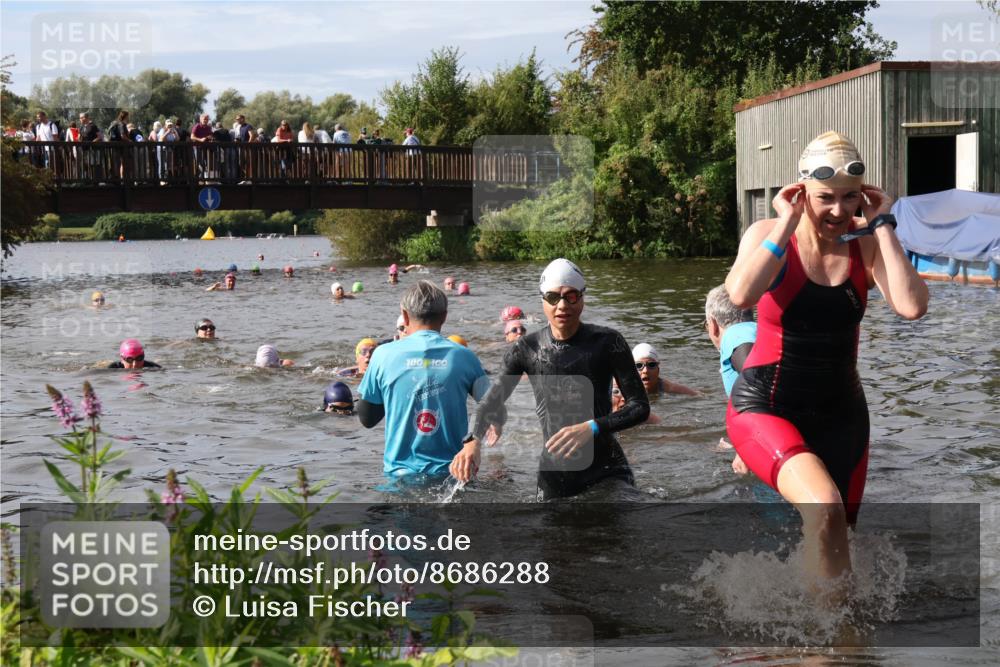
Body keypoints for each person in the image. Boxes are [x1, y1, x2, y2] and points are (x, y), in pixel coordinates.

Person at [724, 131, 928, 585]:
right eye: (825, 198)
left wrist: (883, 225)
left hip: (842, 415)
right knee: (826, 509)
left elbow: (912, 307)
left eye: (850, 197)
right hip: (766, 404)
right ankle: (829, 647)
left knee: (841, 538)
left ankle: (834, 636)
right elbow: (740, 294)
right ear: (800, 193)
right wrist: (784, 221)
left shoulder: (867, 241)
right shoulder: (767, 235)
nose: (839, 211)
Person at [464, 259, 650, 497]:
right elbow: (491, 401)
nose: (562, 305)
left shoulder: (608, 342)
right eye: (553, 297)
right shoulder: (526, 349)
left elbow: (640, 407)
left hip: (607, 469)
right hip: (555, 472)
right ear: (542, 300)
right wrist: (472, 440)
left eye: (571, 296)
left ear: (582, 297)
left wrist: (592, 426)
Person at [358, 281, 489, 478]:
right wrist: (474, 441)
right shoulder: (464, 356)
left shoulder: (382, 355)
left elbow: (367, 419)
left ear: (404, 315)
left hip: (399, 476)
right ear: (444, 316)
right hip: (454, 476)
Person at [631, 343, 700, 396]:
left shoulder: (668, 387)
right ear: (631, 370)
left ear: (658, 370)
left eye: (651, 365)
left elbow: (698, 395)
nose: (645, 370)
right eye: (639, 365)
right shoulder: (623, 390)